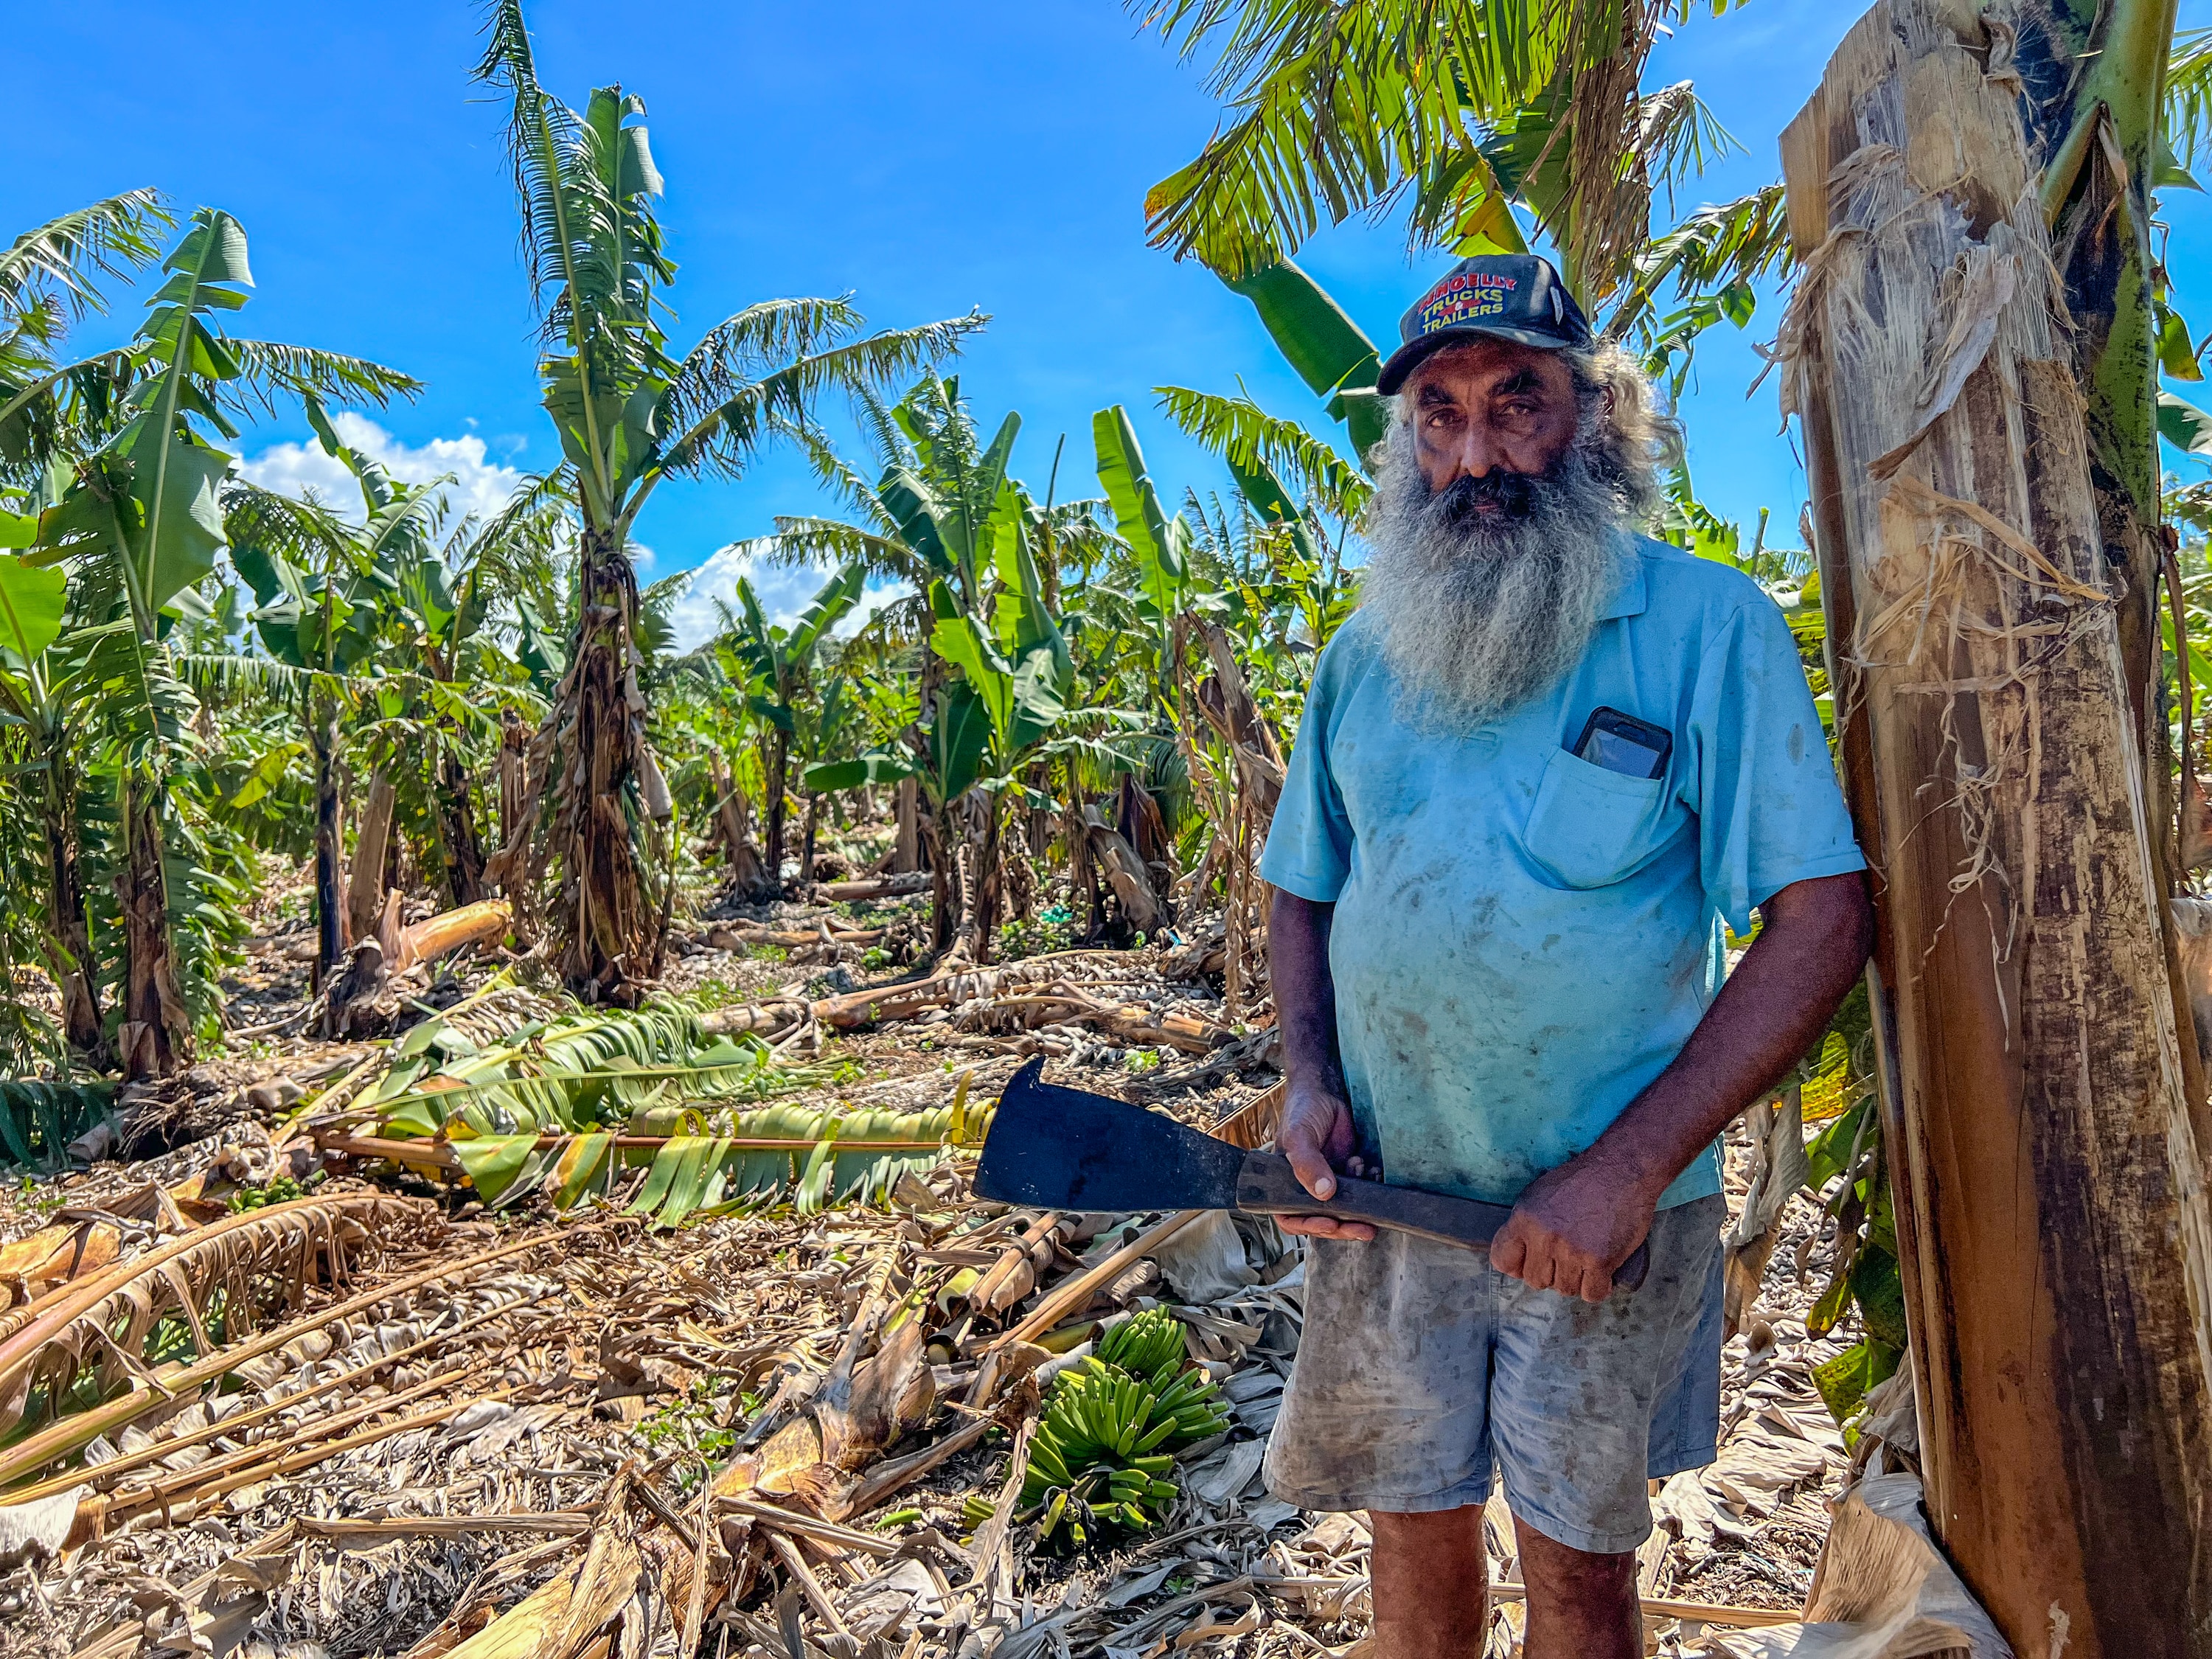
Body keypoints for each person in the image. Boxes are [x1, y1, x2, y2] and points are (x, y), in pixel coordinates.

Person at [1257, 251, 1874, 1659]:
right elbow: (1305, 887)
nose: (1477, 456)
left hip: (1604, 1214)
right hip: (1386, 1195)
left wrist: (1625, 1170)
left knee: (1579, 1574)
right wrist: (1306, 1079)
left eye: (1516, 405)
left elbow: (1823, 917)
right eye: (1441, 417)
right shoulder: (1368, 654)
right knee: (1408, 1540)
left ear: (1594, 422)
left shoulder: (1704, 629)